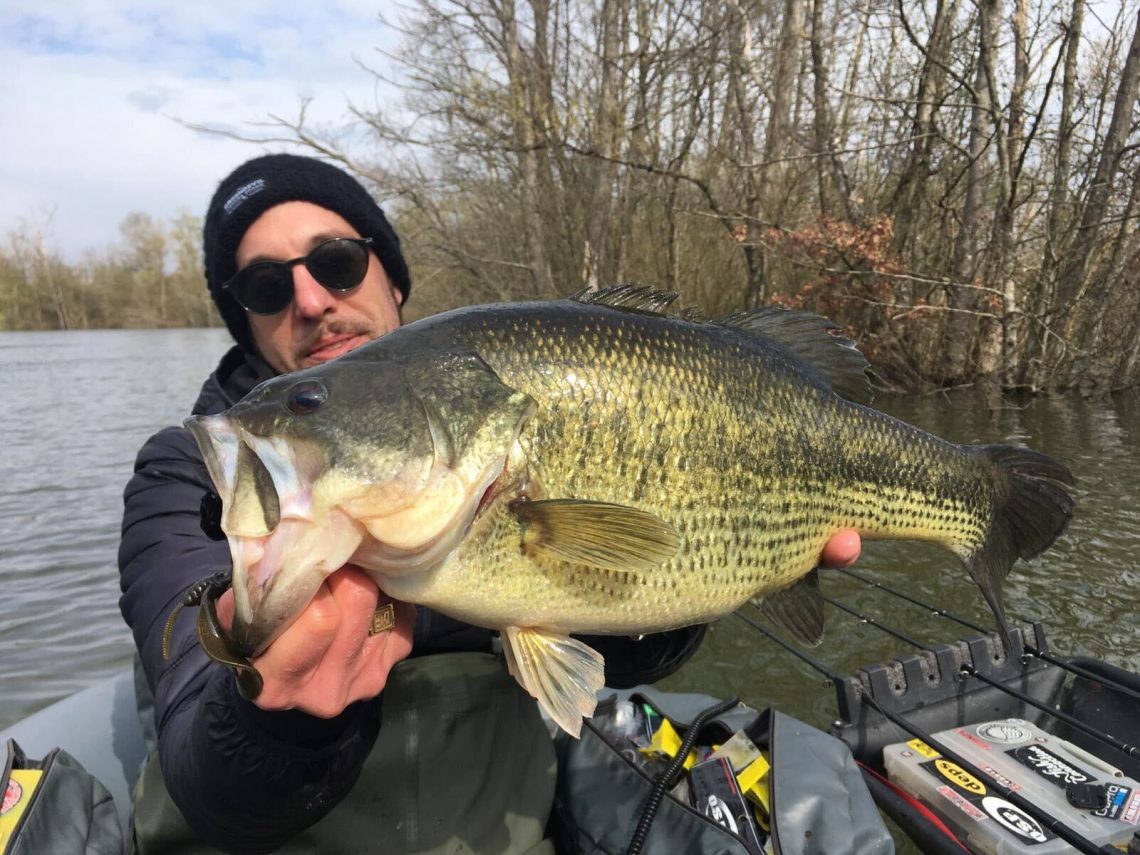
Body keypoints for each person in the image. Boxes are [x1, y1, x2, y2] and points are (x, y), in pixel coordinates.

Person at [118, 153, 861, 854]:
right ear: (242, 314)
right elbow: (201, 758)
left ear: (391, 276)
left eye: (336, 262)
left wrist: (724, 553)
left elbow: (630, 650)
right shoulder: (190, 472)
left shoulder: (472, 383)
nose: (312, 300)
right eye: (266, 287)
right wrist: (274, 718)